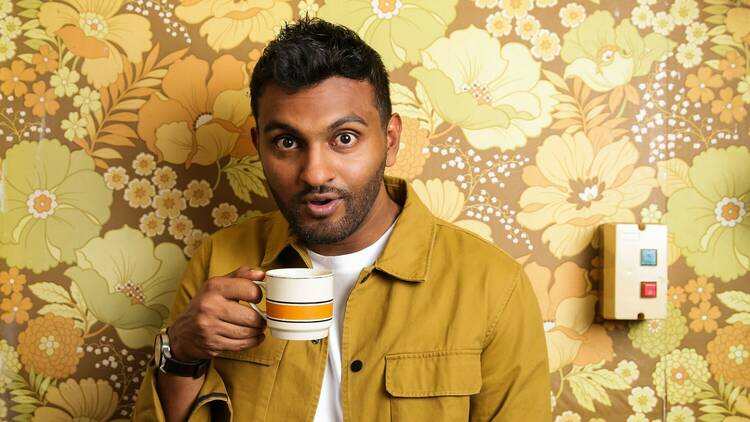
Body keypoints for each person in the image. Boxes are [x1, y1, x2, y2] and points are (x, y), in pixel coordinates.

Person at [133, 17, 550, 422]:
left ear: (389, 141)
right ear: (259, 145)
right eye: (287, 142)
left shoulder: (493, 285)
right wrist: (182, 353)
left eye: (344, 138)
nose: (315, 173)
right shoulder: (220, 259)